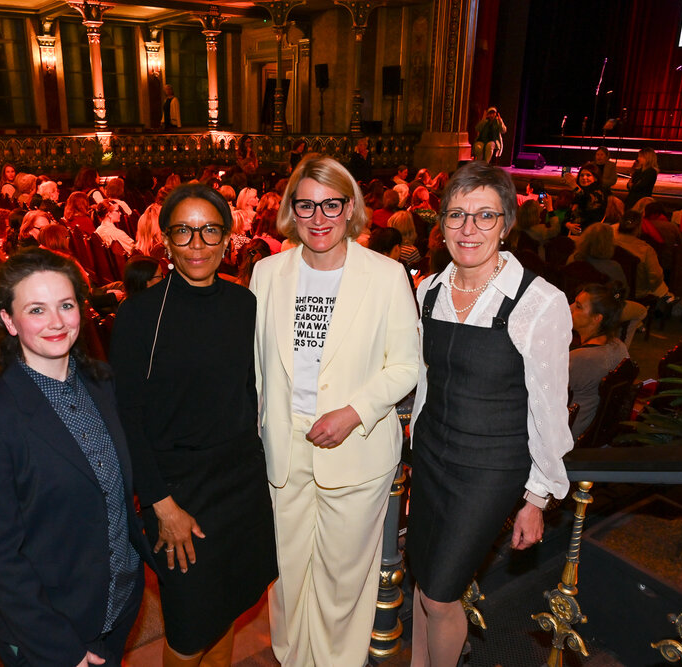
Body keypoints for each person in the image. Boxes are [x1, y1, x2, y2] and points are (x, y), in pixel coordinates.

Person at [251, 154, 419, 666]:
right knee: (287, 573)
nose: (318, 217)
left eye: (331, 204)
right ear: (290, 211)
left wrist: (353, 411)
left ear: (350, 209)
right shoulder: (267, 272)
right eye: (306, 205)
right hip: (284, 447)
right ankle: (292, 659)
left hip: (356, 447)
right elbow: (257, 367)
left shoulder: (386, 276)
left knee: (343, 580)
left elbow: (407, 365)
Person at [0, 248, 155, 666]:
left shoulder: (100, 382)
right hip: (51, 632)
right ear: (9, 320)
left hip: (118, 603)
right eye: (37, 309)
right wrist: (61, 649)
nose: (57, 321)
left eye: (65, 305)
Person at [407, 160, 573, 666]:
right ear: (441, 223)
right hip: (432, 456)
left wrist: (537, 496)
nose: (468, 229)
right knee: (423, 579)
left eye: (484, 216)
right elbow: (424, 381)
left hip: (490, 468)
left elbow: (549, 407)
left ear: (506, 224)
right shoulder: (428, 290)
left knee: (441, 593)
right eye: (456, 215)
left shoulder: (540, 302)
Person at [111, 184, 276, 666]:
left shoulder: (244, 304)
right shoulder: (139, 314)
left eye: (210, 231)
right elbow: (127, 417)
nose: (198, 243)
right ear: (165, 240)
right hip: (177, 490)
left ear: (228, 238)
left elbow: (249, 391)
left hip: (239, 483)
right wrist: (161, 504)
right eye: (184, 231)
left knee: (227, 606)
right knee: (187, 629)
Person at [568, 283, 629, 438]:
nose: (570, 307)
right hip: (600, 431)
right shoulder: (620, 347)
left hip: (571, 433)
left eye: (579, 306)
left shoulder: (579, 358)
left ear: (596, 318)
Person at [613, 211, 669, 299]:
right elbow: (655, 277)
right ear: (638, 227)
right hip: (638, 295)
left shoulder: (608, 244)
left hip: (612, 292)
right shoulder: (645, 250)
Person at [566, 162, 609, 233]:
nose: (584, 178)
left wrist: (575, 187)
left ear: (595, 178)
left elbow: (587, 200)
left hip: (590, 233)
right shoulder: (579, 193)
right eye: (581, 175)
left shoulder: (599, 192)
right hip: (573, 232)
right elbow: (569, 214)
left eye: (588, 175)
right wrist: (567, 224)